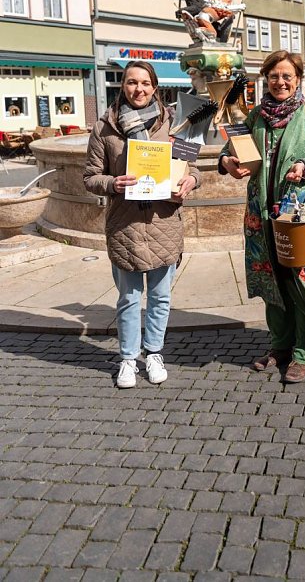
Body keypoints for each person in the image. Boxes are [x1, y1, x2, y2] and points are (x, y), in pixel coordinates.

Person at [219, 50, 305, 383]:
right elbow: (234, 150)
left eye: (287, 76)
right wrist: (228, 163)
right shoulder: (256, 115)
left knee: (299, 280)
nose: (280, 82)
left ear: (298, 79)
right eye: (274, 76)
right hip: (260, 214)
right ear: (266, 79)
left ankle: (303, 351)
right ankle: (280, 345)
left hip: (297, 213)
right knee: (270, 278)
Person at [84, 60, 201, 389]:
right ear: (123, 85)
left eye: (145, 83)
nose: (139, 89)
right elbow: (90, 178)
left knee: (161, 297)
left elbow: (193, 169)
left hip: (164, 221)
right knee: (129, 298)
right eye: (132, 83)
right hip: (126, 224)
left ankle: (154, 353)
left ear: (155, 87)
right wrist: (113, 184)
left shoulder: (173, 123)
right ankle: (127, 358)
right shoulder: (104, 127)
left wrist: (191, 180)